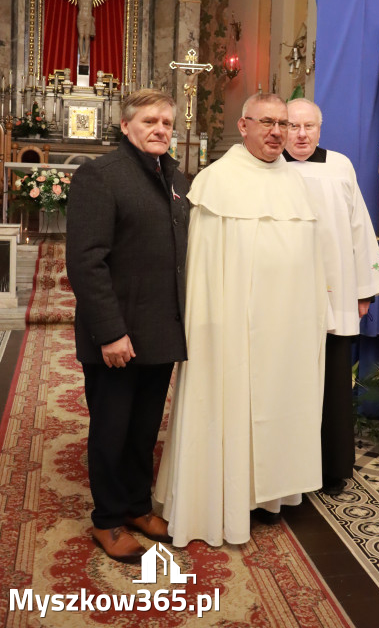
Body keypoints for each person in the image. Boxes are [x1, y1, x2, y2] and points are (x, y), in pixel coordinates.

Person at [154, 93, 327, 547]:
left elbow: (311, 262)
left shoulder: (298, 182)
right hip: (229, 328)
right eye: (267, 123)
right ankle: (222, 497)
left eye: (283, 124)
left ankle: (270, 496)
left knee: (278, 402)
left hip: (284, 330)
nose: (277, 132)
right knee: (228, 404)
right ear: (244, 124)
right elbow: (204, 272)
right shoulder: (217, 181)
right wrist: (209, 329)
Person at [66, 89, 189, 562]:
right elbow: (86, 262)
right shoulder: (101, 176)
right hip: (117, 333)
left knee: (143, 428)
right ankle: (108, 519)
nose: (160, 129)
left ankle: (137, 505)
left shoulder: (175, 178)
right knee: (112, 428)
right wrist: (111, 333)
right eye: (150, 122)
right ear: (126, 125)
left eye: (166, 123)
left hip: (160, 330)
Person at [284, 98, 379, 493]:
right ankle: (287, 470)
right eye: (293, 126)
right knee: (288, 384)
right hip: (283, 300)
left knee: (331, 384)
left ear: (319, 128)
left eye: (308, 126)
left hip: (335, 295)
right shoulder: (267, 168)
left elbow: (360, 228)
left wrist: (364, 292)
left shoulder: (339, 166)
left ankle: (331, 469)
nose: (300, 134)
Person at [51, 0, 121, 64]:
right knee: (81, 35)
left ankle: (86, 55)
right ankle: (81, 54)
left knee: (87, 36)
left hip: (88, 17)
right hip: (81, 17)